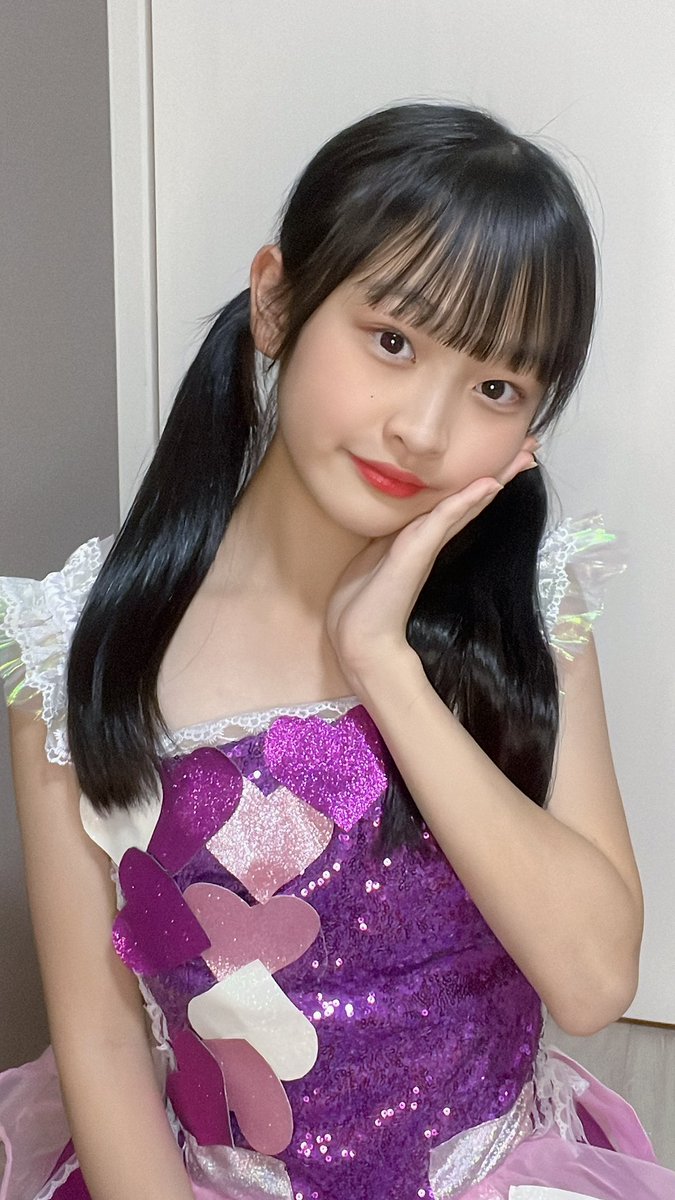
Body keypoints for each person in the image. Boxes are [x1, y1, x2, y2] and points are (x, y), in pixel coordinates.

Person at [0, 101, 671, 1200]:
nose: (424, 428)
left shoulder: (530, 606)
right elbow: (104, 1042)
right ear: (277, 301)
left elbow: (594, 981)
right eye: (393, 341)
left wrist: (383, 664)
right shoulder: (73, 646)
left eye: (495, 387)